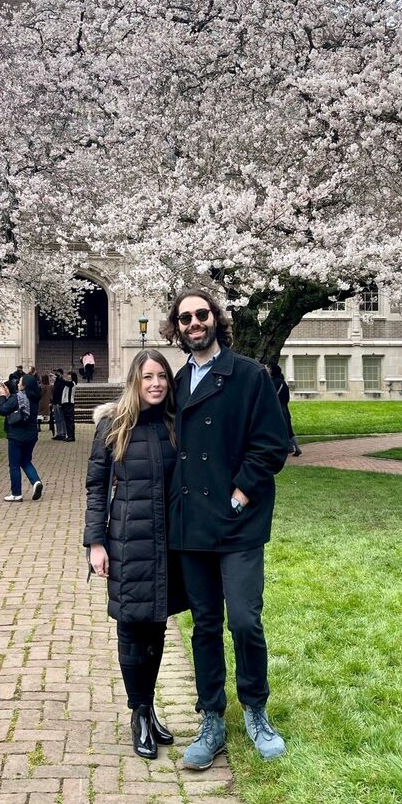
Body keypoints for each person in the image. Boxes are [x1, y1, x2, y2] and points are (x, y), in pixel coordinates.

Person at [161, 288, 288, 768]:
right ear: (177, 328)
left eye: (201, 314)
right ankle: (211, 715)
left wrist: (240, 494)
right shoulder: (178, 384)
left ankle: (256, 709)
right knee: (205, 625)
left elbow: (272, 444)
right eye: (185, 317)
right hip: (192, 524)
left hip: (237, 523)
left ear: (216, 319)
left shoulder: (250, 375)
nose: (194, 322)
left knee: (243, 620)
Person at [84, 350, 187, 759]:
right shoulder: (113, 425)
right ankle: (138, 712)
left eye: (162, 376)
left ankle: (149, 705)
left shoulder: (175, 425)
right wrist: (95, 542)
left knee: (157, 626)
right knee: (131, 626)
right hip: (127, 539)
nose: (156, 383)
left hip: (168, 543)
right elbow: (95, 486)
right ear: (135, 381)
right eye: (148, 377)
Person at [0, 373, 43, 502]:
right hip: (31, 435)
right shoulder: (34, 398)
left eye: (20, 382)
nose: (18, 384)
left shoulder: (18, 398)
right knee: (26, 461)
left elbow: (3, 410)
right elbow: (14, 405)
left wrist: (2, 396)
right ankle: (36, 482)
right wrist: (8, 396)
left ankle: (16, 493)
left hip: (16, 436)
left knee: (14, 465)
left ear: (24, 386)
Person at [269, 363, 301, 456]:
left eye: (269, 368)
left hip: (276, 409)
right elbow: (287, 398)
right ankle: (296, 447)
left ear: (272, 371)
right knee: (289, 429)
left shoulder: (273, 382)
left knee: (276, 429)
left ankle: (281, 448)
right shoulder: (283, 383)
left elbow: (271, 396)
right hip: (284, 408)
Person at [50, 369, 67, 440]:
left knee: (61, 418)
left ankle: (63, 433)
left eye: (58, 373)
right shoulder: (57, 381)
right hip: (55, 402)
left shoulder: (62, 381)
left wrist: (60, 402)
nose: (56, 374)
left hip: (59, 402)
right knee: (57, 419)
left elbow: (62, 392)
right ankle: (59, 433)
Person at [60, 370, 77, 441]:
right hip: (65, 403)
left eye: (69, 375)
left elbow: (65, 382)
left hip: (69, 403)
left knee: (70, 420)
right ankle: (69, 435)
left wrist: (59, 378)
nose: (68, 376)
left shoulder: (72, 383)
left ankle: (71, 436)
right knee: (67, 420)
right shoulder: (68, 383)